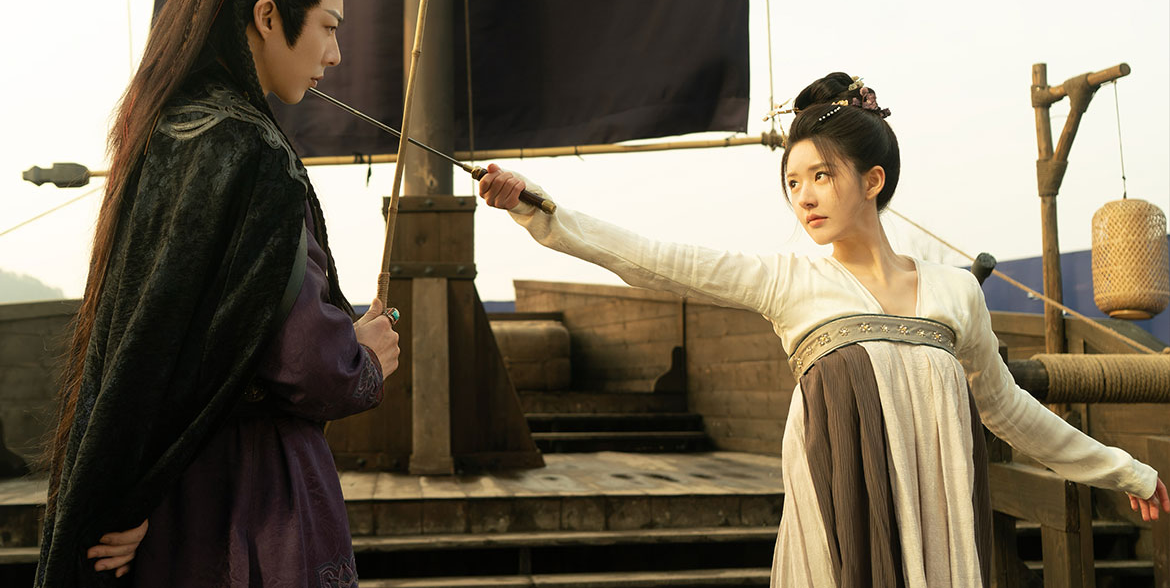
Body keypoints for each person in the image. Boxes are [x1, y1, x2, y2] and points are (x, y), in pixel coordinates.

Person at [478, 72, 1169, 587]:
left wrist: (1125, 470)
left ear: (872, 180)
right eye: (792, 182)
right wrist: (538, 209)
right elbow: (656, 261)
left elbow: (1010, 411)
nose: (803, 196)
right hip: (839, 524)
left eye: (820, 175)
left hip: (938, 530)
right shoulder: (790, 281)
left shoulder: (955, 291)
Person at [36, 0, 400, 587]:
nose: (335, 55)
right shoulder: (254, 156)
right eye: (328, 27)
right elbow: (302, 359)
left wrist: (130, 488)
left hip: (167, 505)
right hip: (248, 504)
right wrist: (363, 356)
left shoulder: (169, 132)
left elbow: (149, 347)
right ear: (268, 16)